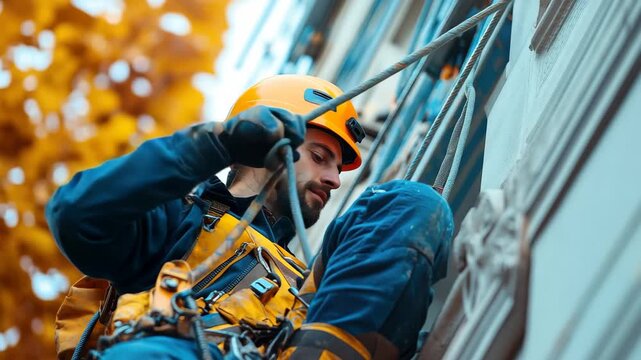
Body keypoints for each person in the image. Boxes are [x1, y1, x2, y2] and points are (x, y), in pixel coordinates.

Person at [47, 75, 454, 359]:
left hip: (302, 349)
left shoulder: (319, 282)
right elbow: (79, 214)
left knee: (410, 203)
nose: (334, 179)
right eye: (319, 157)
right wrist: (219, 142)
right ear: (265, 144)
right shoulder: (181, 221)